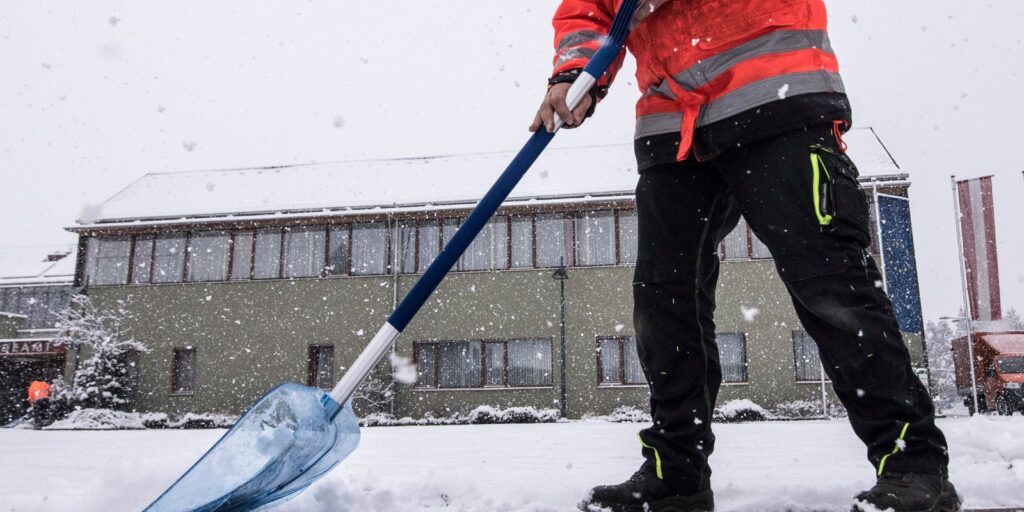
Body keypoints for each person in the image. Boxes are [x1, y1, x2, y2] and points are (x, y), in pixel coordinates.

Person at [530, 2, 959, 511]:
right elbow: (590, 12)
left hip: (778, 98)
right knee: (665, 303)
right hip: (673, 126)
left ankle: (913, 465)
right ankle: (678, 475)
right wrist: (575, 74)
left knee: (830, 284)